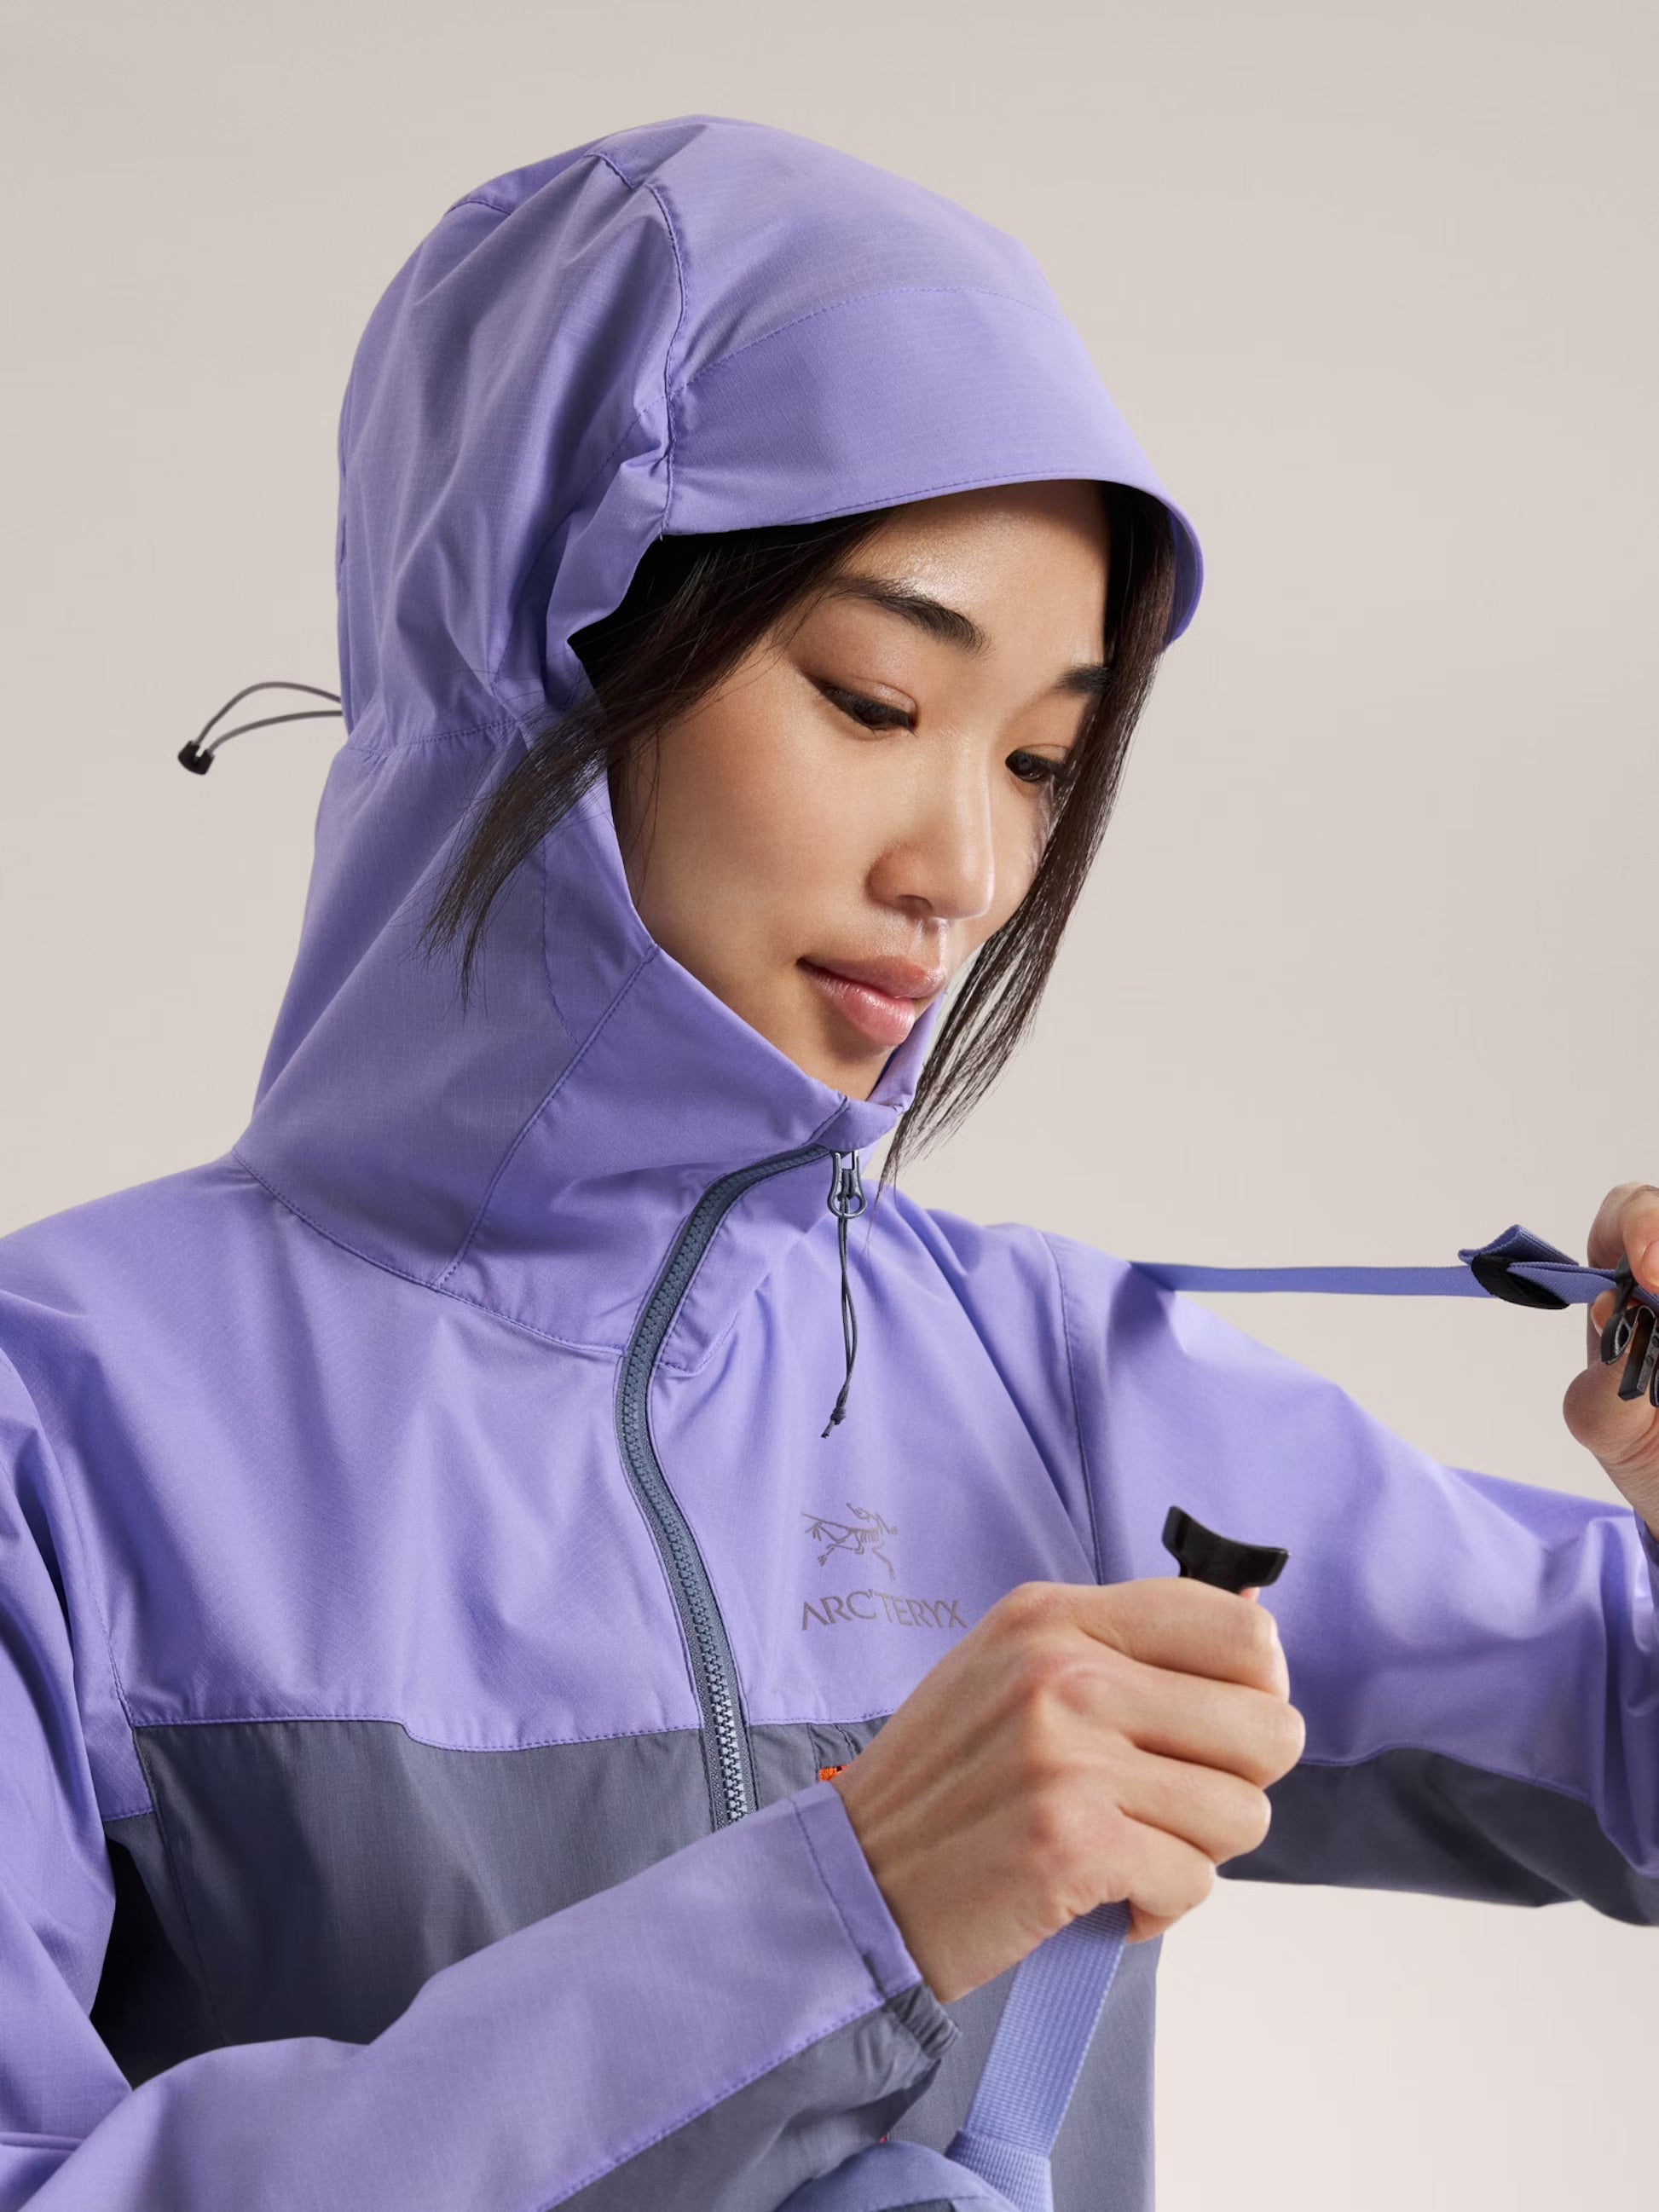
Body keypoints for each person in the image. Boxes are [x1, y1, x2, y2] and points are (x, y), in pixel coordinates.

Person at [2, 113, 1655, 2212]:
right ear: (534, 655)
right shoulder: (61, 1423)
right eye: (876, 700)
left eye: (1041, 757)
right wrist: (840, 1907)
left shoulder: (1059, 1383)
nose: (964, 865)